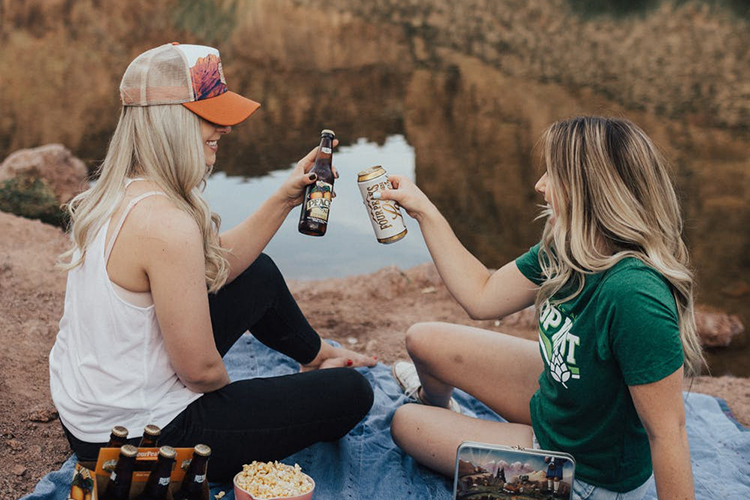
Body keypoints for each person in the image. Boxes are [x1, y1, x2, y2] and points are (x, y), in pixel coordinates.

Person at [49, 43, 375, 481]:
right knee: (353, 392)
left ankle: (315, 356)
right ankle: (318, 374)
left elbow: (211, 265)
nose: (225, 128)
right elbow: (201, 372)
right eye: (211, 116)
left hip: (95, 411)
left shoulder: (120, 193)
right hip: (137, 439)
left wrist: (283, 198)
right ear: (170, 122)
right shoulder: (164, 223)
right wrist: (248, 405)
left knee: (257, 272)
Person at [377, 116, 703, 500]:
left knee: (405, 424)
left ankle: (449, 428)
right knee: (423, 339)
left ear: (590, 189)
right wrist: (423, 210)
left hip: (582, 472)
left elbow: (669, 433)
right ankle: (442, 412)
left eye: (553, 174)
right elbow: (481, 295)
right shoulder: (570, 248)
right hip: (565, 400)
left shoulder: (636, 294)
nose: (540, 185)